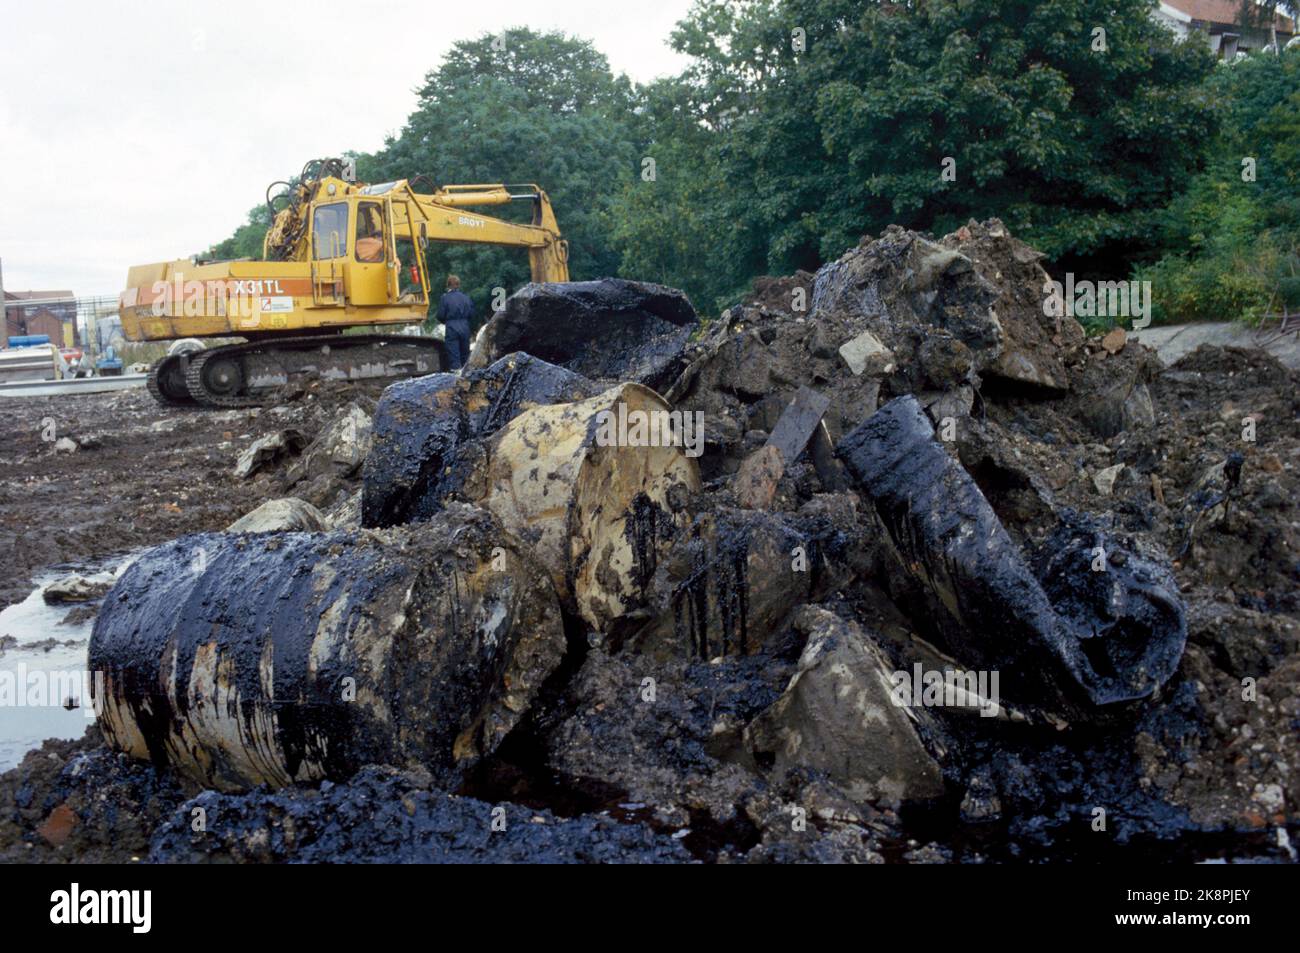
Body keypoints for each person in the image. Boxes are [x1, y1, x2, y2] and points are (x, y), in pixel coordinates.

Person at [436, 274, 474, 370]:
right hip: (465, 327)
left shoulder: (445, 298)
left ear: (448, 285)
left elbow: (440, 315)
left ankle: (456, 375)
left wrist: (447, 322)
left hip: (452, 327)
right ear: (458, 285)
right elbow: (471, 313)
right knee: (465, 355)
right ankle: (467, 374)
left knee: (454, 356)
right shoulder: (466, 297)